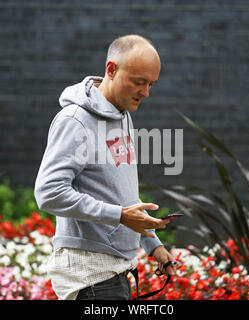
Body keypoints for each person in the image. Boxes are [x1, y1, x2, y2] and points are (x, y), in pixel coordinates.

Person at [34, 34, 178, 300]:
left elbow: (121, 197)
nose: (146, 92)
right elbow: (49, 193)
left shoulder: (122, 115)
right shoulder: (75, 121)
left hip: (113, 274)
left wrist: (153, 245)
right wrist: (120, 215)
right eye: (139, 82)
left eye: (151, 84)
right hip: (90, 277)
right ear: (111, 69)